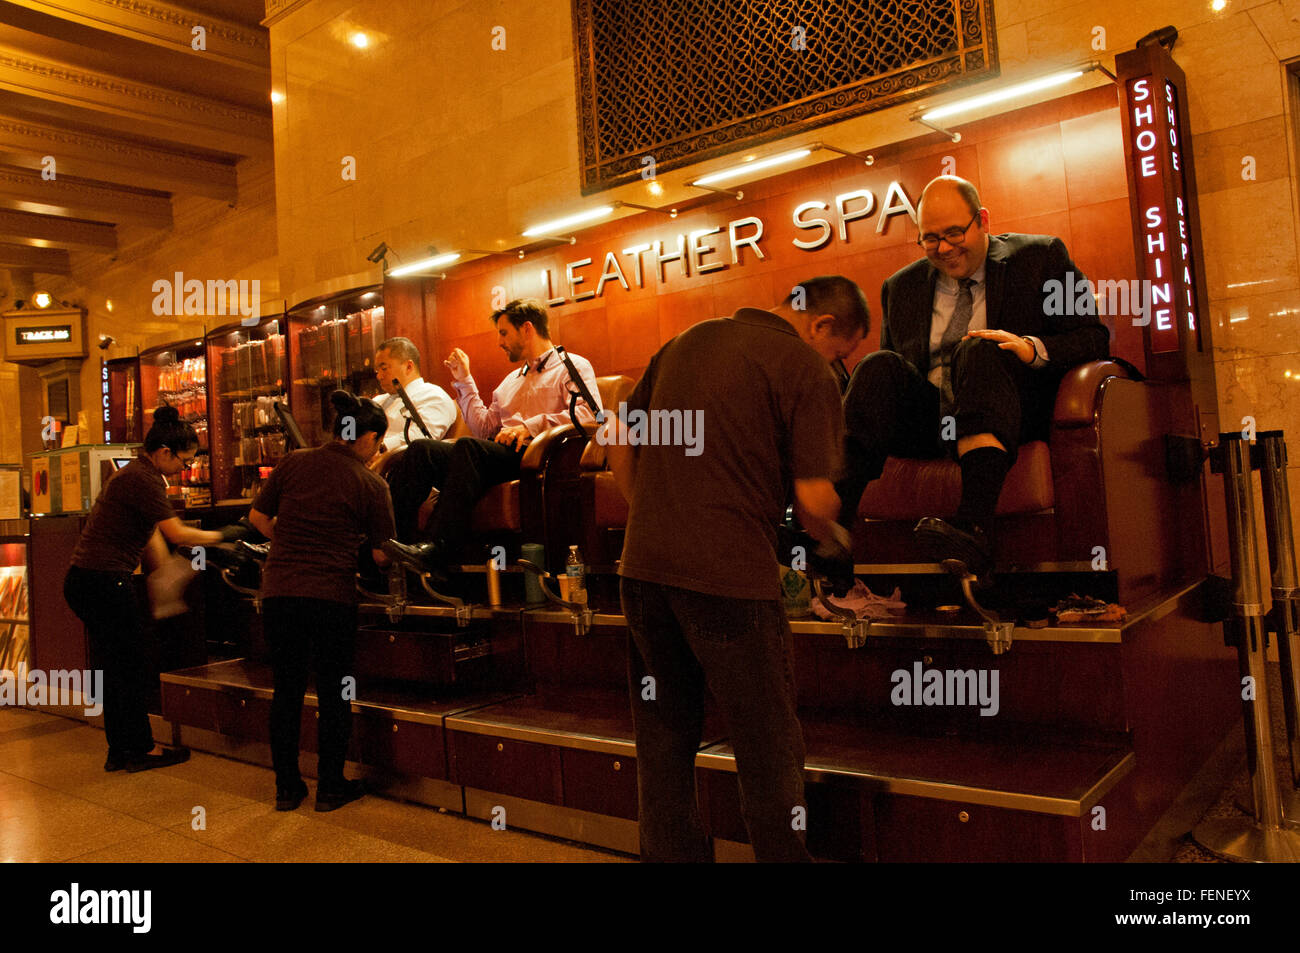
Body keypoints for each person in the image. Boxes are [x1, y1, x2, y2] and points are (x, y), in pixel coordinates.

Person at [604, 276, 866, 862]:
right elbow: (814, 500)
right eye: (842, 353)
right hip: (729, 580)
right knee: (767, 742)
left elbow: (616, 432)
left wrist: (647, 509)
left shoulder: (687, 340)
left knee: (664, 735)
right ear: (821, 325)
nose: (839, 368)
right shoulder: (803, 366)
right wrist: (840, 538)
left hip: (642, 571)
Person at [838, 175, 1110, 573]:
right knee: (877, 365)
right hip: (934, 422)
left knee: (980, 346)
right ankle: (831, 530)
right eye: (930, 238)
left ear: (982, 219)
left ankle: (974, 528)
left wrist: (1030, 347)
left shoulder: (1041, 257)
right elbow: (897, 380)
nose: (944, 248)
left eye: (954, 233)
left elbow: (1093, 337)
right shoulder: (901, 286)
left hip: (1008, 412)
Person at [64, 406, 241, 773]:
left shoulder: (135, 476)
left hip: (88, 581)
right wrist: (223, 536)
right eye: (185, 460)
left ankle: (121, 750)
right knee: (129, 666)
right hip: (104, 581)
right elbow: (175, 532)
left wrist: (169, 584)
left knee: (117, 667)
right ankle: (137, 750)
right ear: (164, 452)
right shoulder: (143, 479)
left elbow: (152, 540)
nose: (187, 468)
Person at [247, 390, 396, 812]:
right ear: (366, 438)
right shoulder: (371, 483)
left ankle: (287, 788)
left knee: (287, 690)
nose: (378, 451)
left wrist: (290, 544)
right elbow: (384, 554)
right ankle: (331, 786)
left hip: (279, 593)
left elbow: (258, 519)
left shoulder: (294, 462)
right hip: (330, 597)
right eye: (378, 442)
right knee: (334, 692)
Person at [383, 297, 601, 573]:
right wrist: (464, 380)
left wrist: (530, 426)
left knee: (468, 449)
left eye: (503, 332)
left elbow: (589, 415)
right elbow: (483, 428)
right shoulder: (510, 381)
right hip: (495, 456)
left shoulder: (572, 366)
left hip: (538, 457)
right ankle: (392, 547)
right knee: (422, 450)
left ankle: (438, 548)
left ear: (527, 329)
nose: (499, 341)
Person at [368, 336, 457, 472]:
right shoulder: (379, 400)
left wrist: (378, 448)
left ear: (409, 366)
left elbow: (421, 440)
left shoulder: (433, 396)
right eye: (377, 371)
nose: (379, 376)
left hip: (402, 471)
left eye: (384, 368)